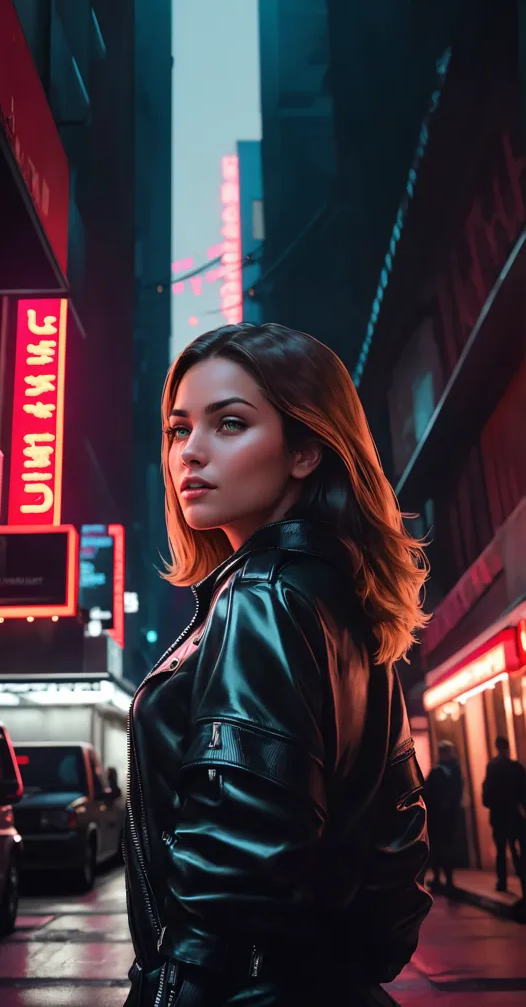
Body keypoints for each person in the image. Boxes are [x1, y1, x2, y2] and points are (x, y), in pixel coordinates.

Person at [124, 323, 432, 1007]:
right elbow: (398, 864)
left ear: (305, 450)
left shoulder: (261, 596)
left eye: (229, 423)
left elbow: (229, 895)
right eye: (179, 429)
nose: (190, 453)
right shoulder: (338, 600)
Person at [482, 736, 526, 893]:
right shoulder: (515, 767)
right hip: (514, 815)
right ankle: (522, 882)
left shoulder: (492, 767)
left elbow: (486, 794)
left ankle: (502, 882)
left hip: (498, 815)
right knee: (518, 851)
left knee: (501, 850)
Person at [424, 741, 463, 891]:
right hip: (441, 817)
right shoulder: (447, 771)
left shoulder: (449, 771)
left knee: (445, 848)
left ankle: (447, 879)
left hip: (445, 817)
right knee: (440, 848)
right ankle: (441, 878)